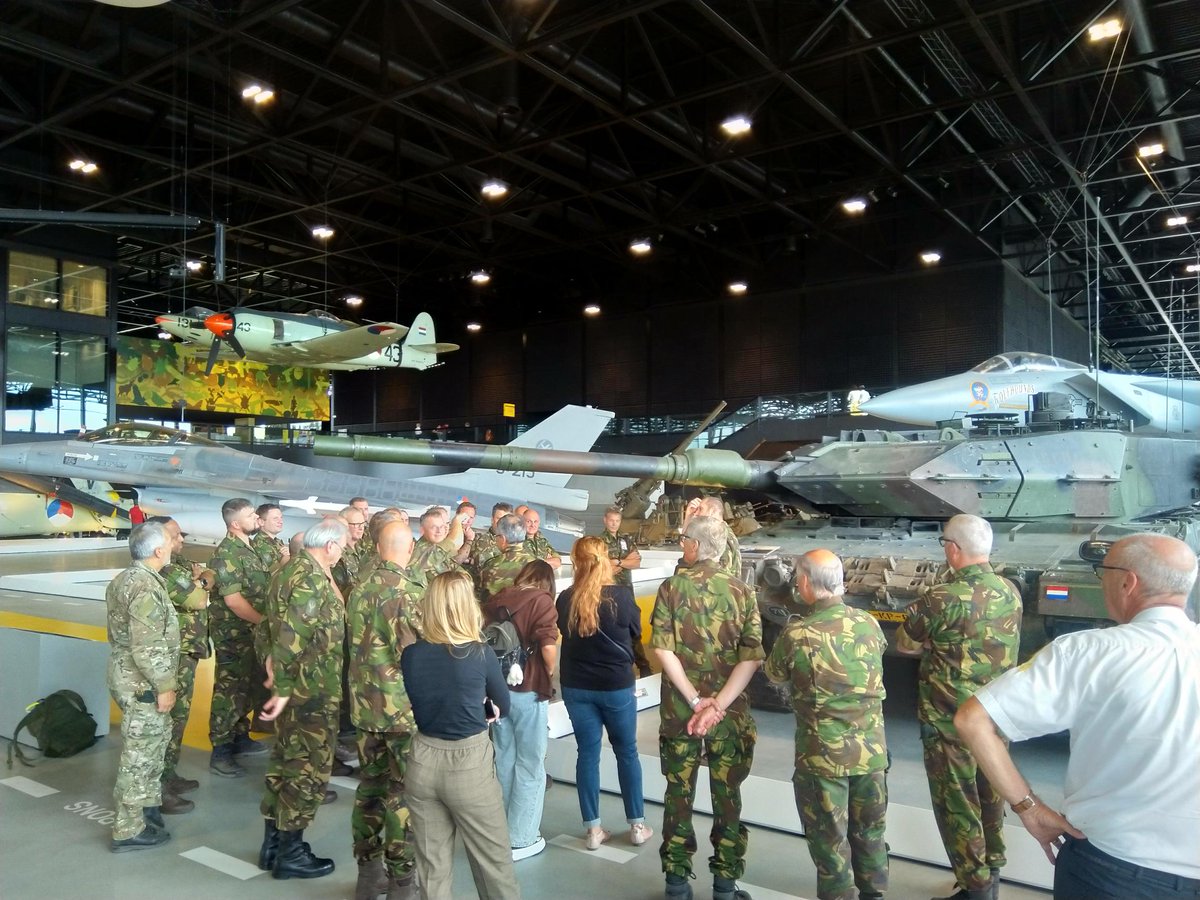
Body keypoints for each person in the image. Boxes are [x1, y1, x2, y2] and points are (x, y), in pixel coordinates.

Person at [955, 533, 1200, 900]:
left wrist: (1030, 808)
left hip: (1111, 867)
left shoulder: (1086, 652)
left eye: (1104, 572)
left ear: (1127, 582)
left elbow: (972, 720)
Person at [895, 513, 1022, 900]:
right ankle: (993, 870)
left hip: (948, 721)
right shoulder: (1009, 591)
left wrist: (935, 646)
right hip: (996, 718)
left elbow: (904, 644)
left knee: (958, 805)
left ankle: (975, 887)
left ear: (953, 549)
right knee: (991, 793)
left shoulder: (940, 598)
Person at [763, 550, 888, 900]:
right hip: (872, 754)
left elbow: (774, 674)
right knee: (871, 834)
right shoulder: (869, 623)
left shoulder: (797, 635)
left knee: (830, 843)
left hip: (823, 760)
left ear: (804, 583)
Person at [650, 515, 764, 900]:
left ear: (695, 547)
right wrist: (718, 706)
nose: (683, 545)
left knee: (678, 794)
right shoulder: (742, 592)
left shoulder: (671, 588)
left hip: (680, 714)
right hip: (729, 716)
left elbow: (662, 648)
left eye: (685, 540)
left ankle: (677, 883)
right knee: (727, 795)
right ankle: (725, 886)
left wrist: (696, 701)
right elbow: (751, 657)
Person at [400, 572, 521, 899]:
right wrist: (484, 707)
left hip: (422, 760)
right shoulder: (479, 654)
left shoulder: (411, 655)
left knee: (432, 867)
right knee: (493, 864)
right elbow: (503, 706)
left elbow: (431, 698)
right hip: (468, 763)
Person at [257, 518, 350, 881]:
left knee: (284, 763)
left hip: (297, 688)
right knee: (306, 769)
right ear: (329, 546)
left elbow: (271, 630)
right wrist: (281, 687)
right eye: (341, 547)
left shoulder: (289, 571)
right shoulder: (311, 578)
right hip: (309, 691)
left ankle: (274, 845)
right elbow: (292, 635)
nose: (342, 554)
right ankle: (291, 854)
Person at [557, 536, 651, 851]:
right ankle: (637, 825)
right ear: (606, 560)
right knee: (627, 752)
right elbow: (636, 632)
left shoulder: (565, 599)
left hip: (577, 686)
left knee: (588, 754)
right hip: (616, 686)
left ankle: (593, 831)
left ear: (576, 562)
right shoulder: (621, 597)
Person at [347, 521, 424, 900]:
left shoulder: (358, 590)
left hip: (365, 710)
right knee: (403, 794)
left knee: (369, 789)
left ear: (378, 549)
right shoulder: (407, 595)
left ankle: (367, 875)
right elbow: (415, 657)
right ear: (409, 550)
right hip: (401, 713)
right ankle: (401, 882)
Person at [106, 521, 180, 852]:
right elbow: (146, 645)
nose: (174, 545)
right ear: (158, 551)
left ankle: (147, 812)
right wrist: (165, 685)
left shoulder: (126, 579)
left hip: (129, 677)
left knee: (152, 746)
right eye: (169, 540)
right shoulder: (146, 587)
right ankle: (127, 829)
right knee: (140, 755)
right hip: (143, 683)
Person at [484, 560, 560, 861]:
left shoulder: (499, 598)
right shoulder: (541, 601)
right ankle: (523, 837)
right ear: (547, 582)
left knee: (504, 759)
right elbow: (547, 646)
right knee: (531, 764)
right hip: (528, 688)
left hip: (499, 690)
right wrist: (549, 672)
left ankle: (501, 832)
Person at [147, 516, 210, 807]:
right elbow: (197, 599)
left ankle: (168, 774)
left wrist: (199, 580)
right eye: (175, 536)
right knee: (166, 721)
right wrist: (200, 582)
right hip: (174, 655)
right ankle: (157, 786)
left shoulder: (179, 565)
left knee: (179, 718)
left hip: (186, 652)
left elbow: (202, 582)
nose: (182, 540)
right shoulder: (164, 572)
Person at [208, 497, 272, 778]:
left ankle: (239, 737)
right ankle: (220, 750)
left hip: (251, 635)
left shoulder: (251, 549)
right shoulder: (226, 554)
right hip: (233, 634)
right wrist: (263, 622)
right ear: (235, 524)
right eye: (250, 515)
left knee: (247, 687)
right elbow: (233, 601)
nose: (256, 518)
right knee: (229, 690)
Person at [597, 508, 652, 677]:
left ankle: (642, 664)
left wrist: (618, 562)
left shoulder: (626, 539)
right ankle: (617, 666)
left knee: (632, 627)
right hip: (608, 591)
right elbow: (603, 568)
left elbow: (636, 562)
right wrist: (623, 563)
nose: (614, 523)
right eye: (611, 520)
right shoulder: (598, 542)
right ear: (605, 520)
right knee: (610, 627)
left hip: (627, 591)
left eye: (617, 521)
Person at [479, 513, 538, 600]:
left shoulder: (490, 566)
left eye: (497, 536)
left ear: (503, 539)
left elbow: (484, 601)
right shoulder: (537, 566)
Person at [681, 496, 741, 578]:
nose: (696, 513)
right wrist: (688, 518)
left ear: (712, 511)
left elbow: (720, 575)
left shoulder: (721, 537)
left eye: (700, 509)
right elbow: (686, 544)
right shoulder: (716, 532)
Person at [467, 502, 512, 581]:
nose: (502, 522)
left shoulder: (515, 544)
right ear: (492, 520)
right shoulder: (479, 540)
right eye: (499, 518)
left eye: (505, 519)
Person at [252, 503, 288, 570]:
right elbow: (277, 575)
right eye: (275, 518)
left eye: (281, 518)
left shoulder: (276, 541)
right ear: (261, 522)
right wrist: (290, 556)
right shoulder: (261, 545)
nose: (281, 522)